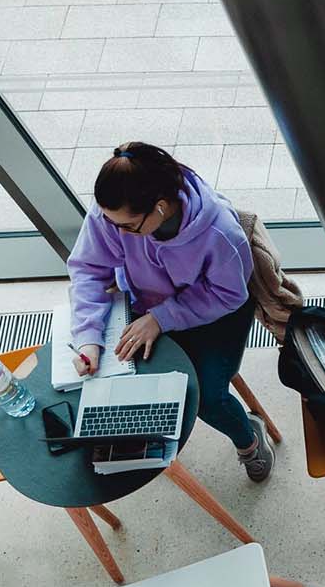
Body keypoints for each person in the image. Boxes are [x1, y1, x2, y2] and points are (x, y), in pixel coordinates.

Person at [65, 142, 272, 481]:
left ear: (160, 208)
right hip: (146, 303)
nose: (116, 233)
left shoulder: (220, 233)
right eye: (109, 221)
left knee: (206, 396)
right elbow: (89, 269)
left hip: (215, 311)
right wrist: (88, 337)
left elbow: (229, 294)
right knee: (116, 379)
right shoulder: (116, 212)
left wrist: (162, 318)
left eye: (128, 227)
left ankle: (249, 441)